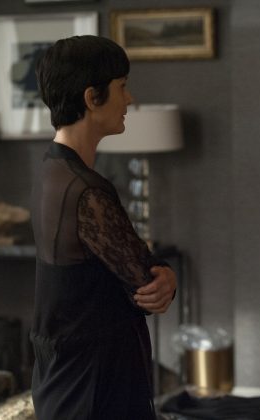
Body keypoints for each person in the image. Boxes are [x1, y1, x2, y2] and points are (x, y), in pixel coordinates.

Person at [29, 35, 177, 420]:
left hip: (65, 375)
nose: (129, 99)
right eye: (122, 87)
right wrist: (166, 275)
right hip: (92, 384)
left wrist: (158, 274)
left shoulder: (51, 170)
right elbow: (143, 281)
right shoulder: (87, 190)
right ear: (92, 97)